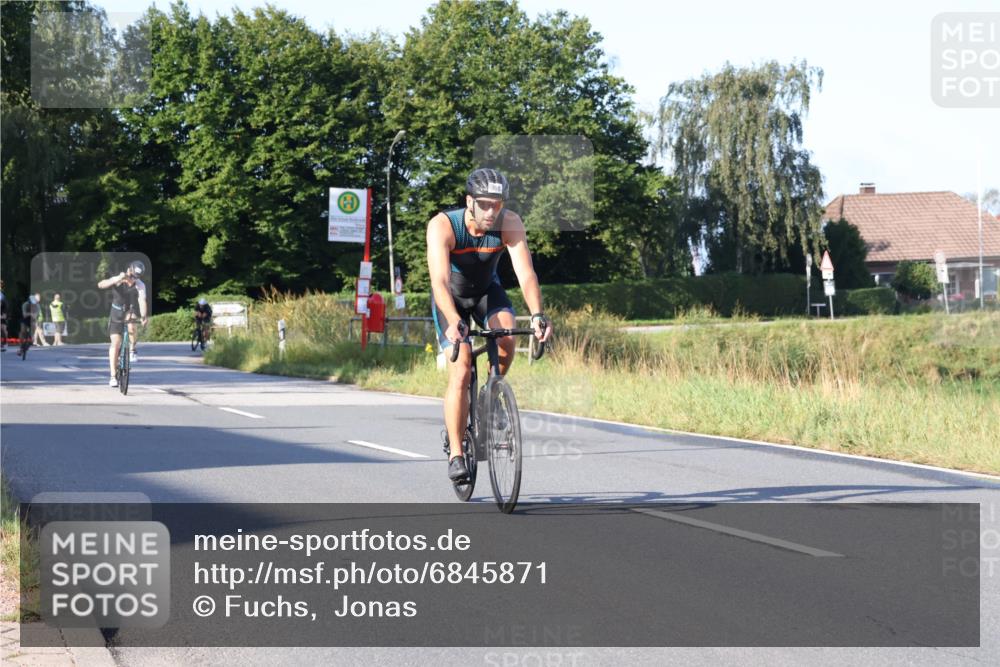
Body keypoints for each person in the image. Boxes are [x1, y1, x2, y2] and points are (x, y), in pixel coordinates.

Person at [427, 168, 552, 482]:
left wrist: (537, 314)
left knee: (507, 336)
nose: (491, 212)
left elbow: (526, 274)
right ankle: (457, 453)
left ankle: (489, 393)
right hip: (450, 298)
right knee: (461, 368)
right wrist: (454, 321)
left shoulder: (509, 223)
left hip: (486, 292)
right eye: (484, 204)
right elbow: (439, 281)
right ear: (469, 201)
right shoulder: (443, 225)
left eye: (497, 205)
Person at [97, 261, 148, 387]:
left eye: (136, 277)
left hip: (129, 310)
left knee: (132, 323)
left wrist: (144, 316)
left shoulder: (140, 285)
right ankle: (113, 376)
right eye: (132, 276)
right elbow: (101, 285)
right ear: (128, 270)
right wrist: (116, 279)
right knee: (115, 344)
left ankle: (132, 349)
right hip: (116, 311)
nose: (133, 279)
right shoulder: (119, 278)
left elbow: (142, 301)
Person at [0, 280, 7, 352]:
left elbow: (4, 306)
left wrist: (4, 315)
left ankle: (4, 343)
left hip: (2, 313)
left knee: (3, 329)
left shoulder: (2, 295)